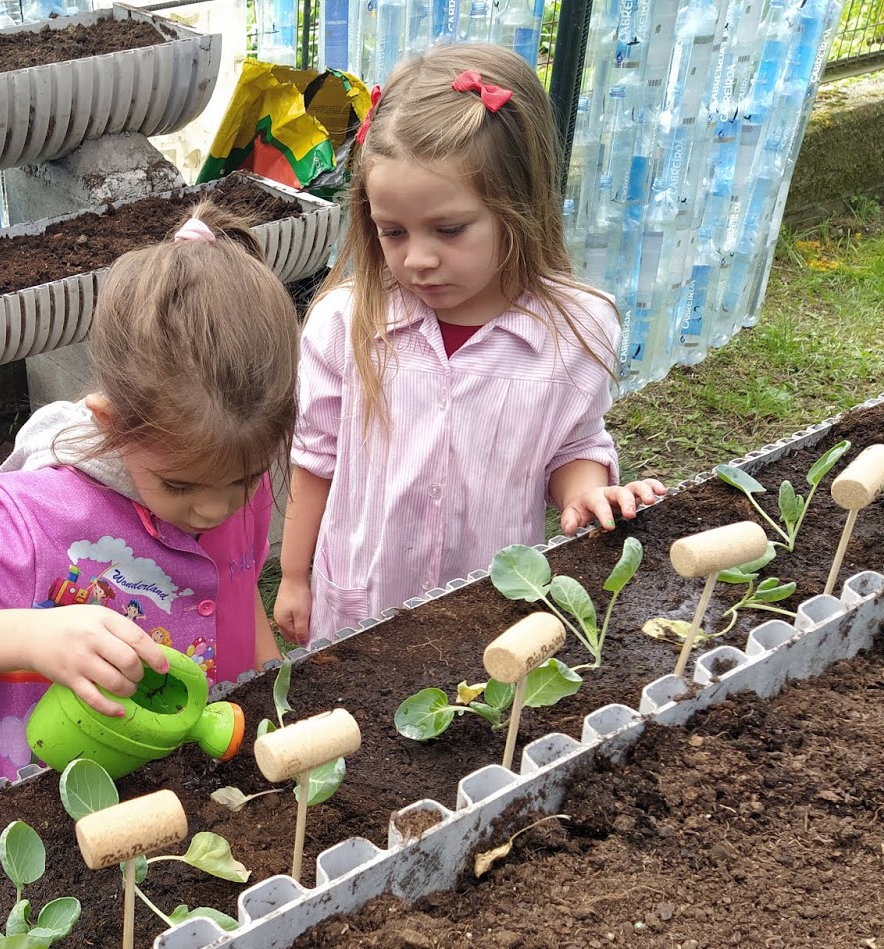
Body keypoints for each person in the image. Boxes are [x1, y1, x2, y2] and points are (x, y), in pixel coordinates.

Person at [0, 201, 298, 780]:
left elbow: (239, 595)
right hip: (74, 801)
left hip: (212, 770)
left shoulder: (226, 467)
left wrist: (274, 697)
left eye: (245, 480)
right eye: (179, 484)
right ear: (110, 423)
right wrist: (34, 636)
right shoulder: (37, 517)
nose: (215, 508)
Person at [274, 43, 668, 647]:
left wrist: (590, 495)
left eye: (449, 229)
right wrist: (295, 576)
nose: (418, 258)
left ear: (518, 205)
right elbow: (316, 459)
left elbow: (573, 444)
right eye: (392, 232)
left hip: (492, 612)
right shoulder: (344, 323)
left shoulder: (576, 328)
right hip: (362, 606)